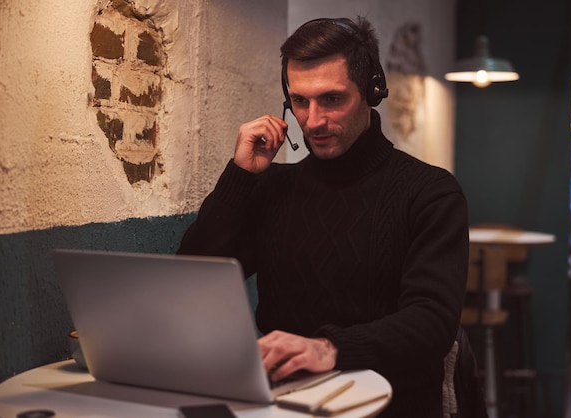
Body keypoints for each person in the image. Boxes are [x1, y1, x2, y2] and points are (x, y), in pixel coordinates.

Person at [178, 16, 469, 417]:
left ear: (372, 91)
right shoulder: (272, 188)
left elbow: (432, 322)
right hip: (283, 403)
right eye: (300, 101)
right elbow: (191, 281)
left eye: (332, 99)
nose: (313, 121)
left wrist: (327, 348)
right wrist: (240, 177)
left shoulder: (431, 193)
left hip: (391, 405)